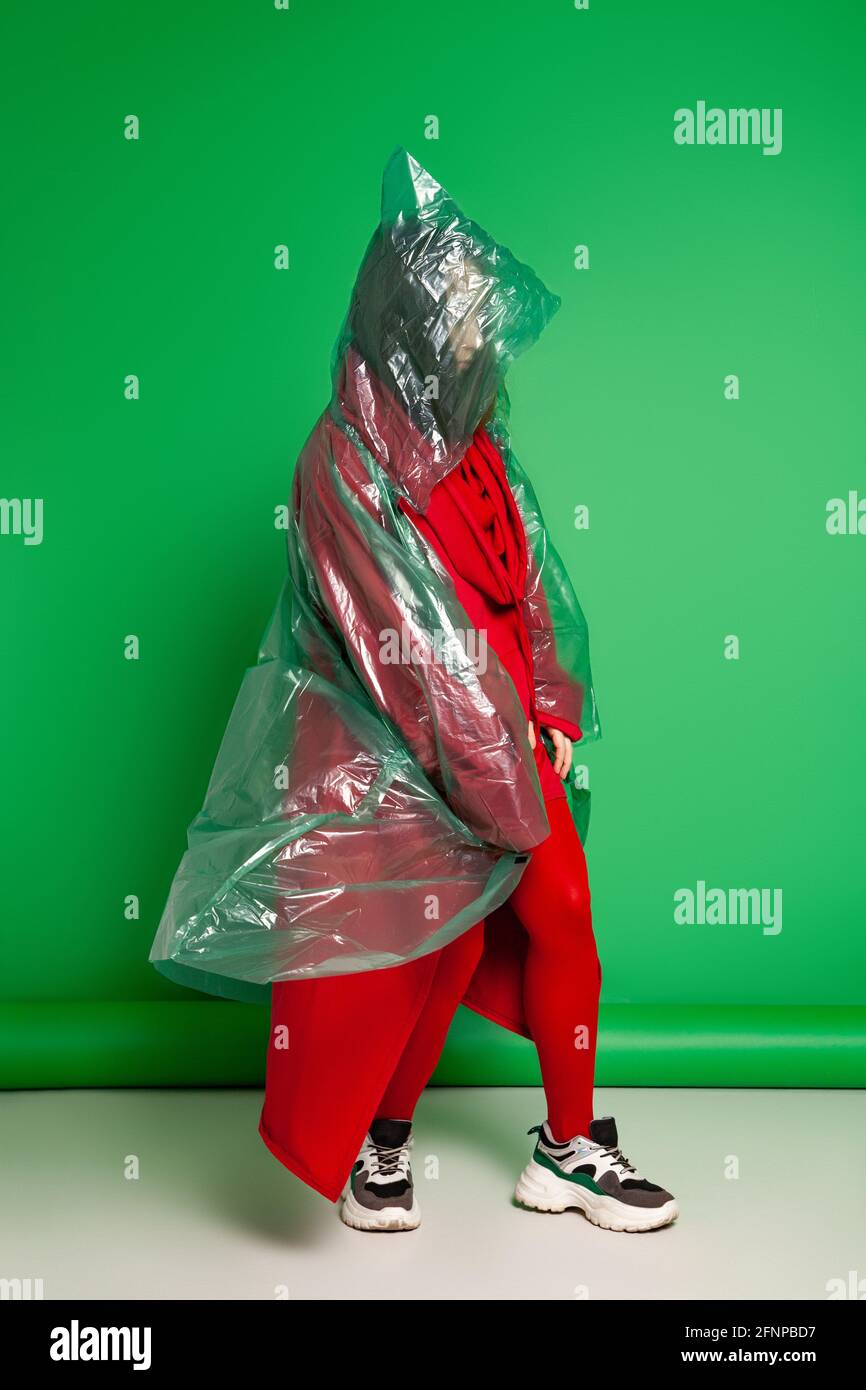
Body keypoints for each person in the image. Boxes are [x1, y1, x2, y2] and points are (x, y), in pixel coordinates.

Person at [149, 146, 678, 1235]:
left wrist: (549, 705)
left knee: (557, 914)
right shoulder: (340, 461)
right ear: (414, 321)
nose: (487, 337)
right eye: (471, 315)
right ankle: (379, 1152)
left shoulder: (479, 446)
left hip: (500, 742)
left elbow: (533, 585)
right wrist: (496, 769)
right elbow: (411, 641)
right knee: (430, 954)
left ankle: (567, 1149)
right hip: (387, 750)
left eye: (490, 316)